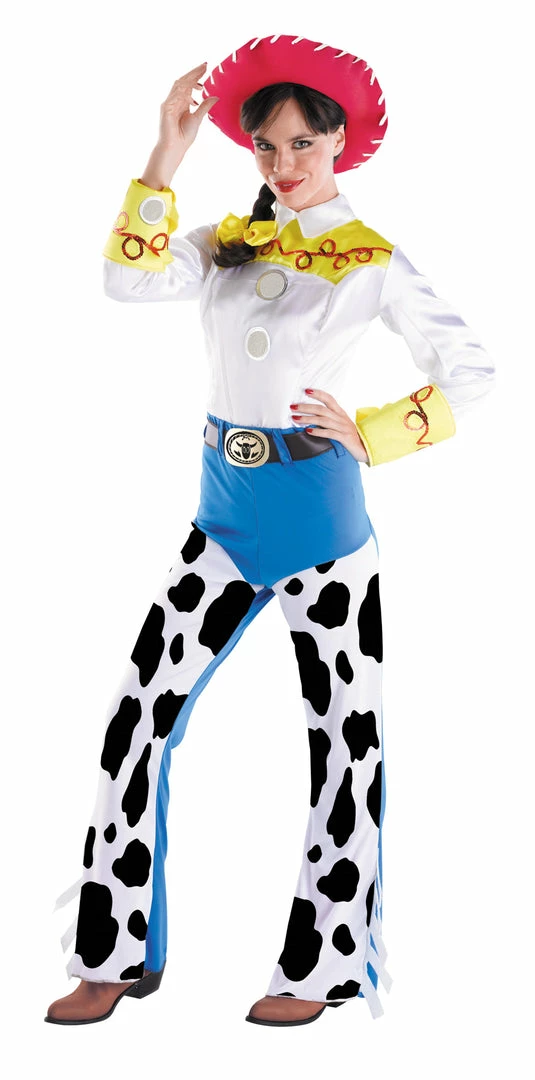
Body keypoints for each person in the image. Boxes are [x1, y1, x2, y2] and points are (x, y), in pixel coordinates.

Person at [45, 34, 495, 1028]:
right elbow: (126, 281)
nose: (283, 163)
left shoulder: (371, 258)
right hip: (221, 518)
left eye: (301, 143)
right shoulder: (226, 241)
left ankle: (323, 967)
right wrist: (164, 154)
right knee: (135, 721)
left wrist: (376, 431)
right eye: (265, 146)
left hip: (322, 527)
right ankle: (111, 954)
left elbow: (473, 371)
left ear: (337, 143)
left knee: (345, 744)